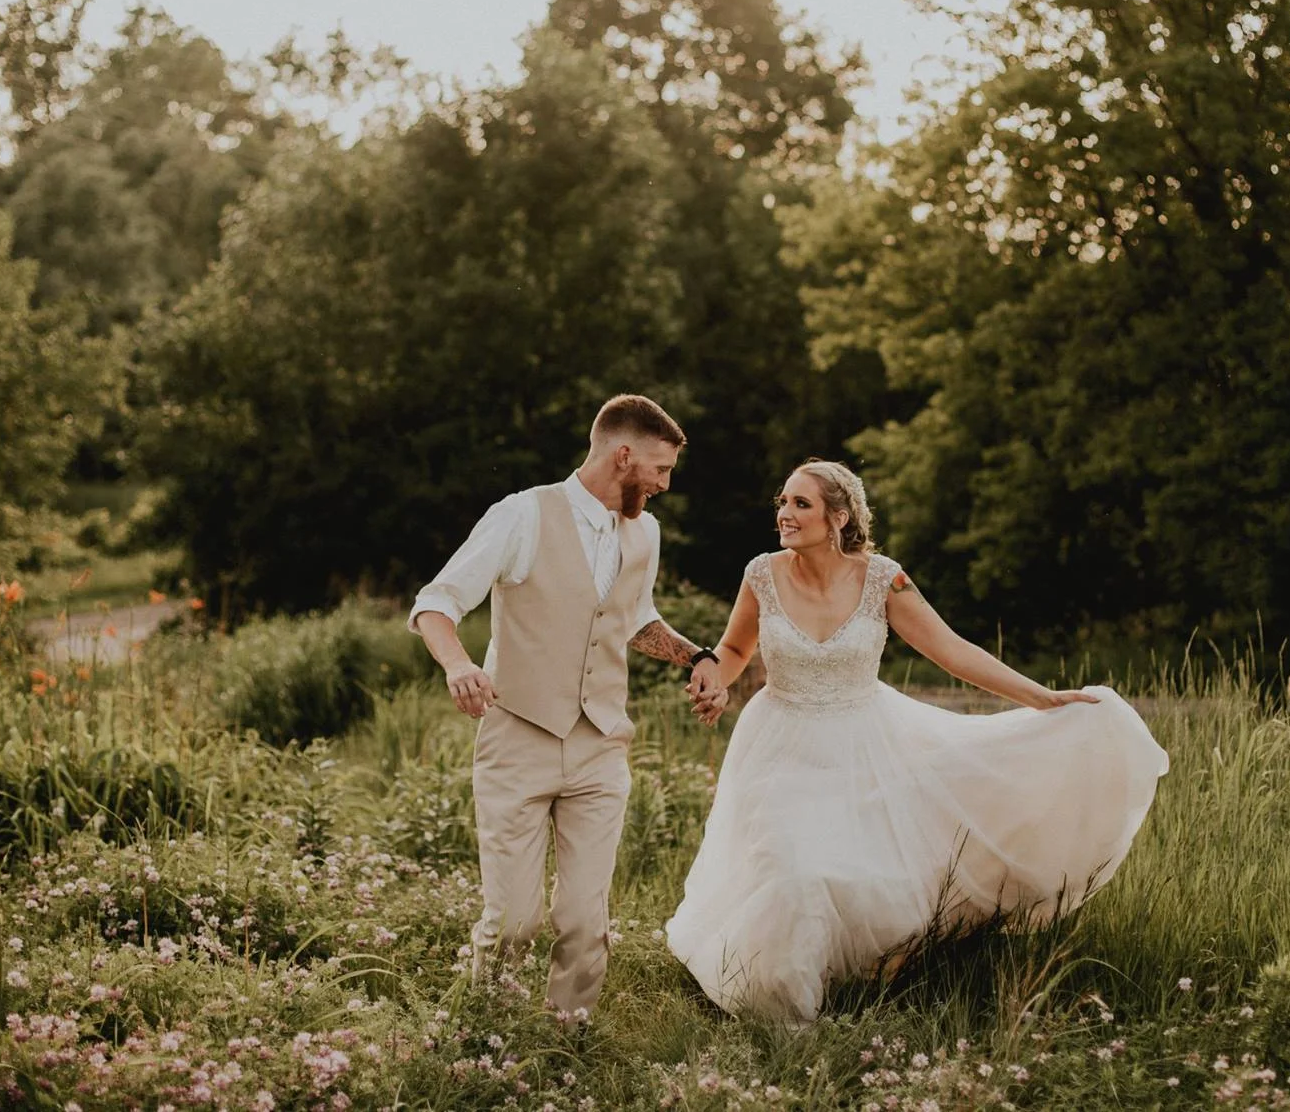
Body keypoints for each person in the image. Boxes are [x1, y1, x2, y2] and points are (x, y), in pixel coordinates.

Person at [668, 459, 1169, 1023]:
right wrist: (715, 679)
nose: (784, 514)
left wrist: (1042, 698)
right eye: (782, 502)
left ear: (839, 517)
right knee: (791, 867)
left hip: (865, 741)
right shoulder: (762, 574)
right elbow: (734, 651)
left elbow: (952, 651)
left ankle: (856, 977)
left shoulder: (883, 577)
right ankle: (782, 1009)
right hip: (781, 743)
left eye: (800, 504)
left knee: (861, 873)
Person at [411, 394, 716, 1022]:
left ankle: (567, 1037)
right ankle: (487, 1032)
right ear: (623, 455)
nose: (664, 484)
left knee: (584, 919)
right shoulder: (522, 515)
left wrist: (699, 657)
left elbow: (636, 619)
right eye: (659, 469)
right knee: (515, 921)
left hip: (601, 744)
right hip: (518, 735)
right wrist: (459, 664)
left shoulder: (646, 531)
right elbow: (436, 602)